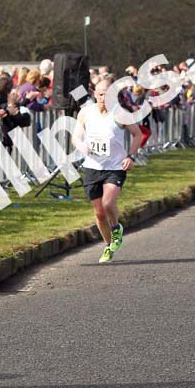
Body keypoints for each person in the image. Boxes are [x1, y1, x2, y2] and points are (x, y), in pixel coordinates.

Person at [72, 79, 141, 263]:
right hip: (93, 167)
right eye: (100, 94)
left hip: (116, 167)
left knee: (108, 202)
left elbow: (138, 134)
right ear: (95, 94)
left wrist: (131, 156)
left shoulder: (120, 114)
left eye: (107, 94)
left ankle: (116, 228)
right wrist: (81, 145)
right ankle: (109, 246)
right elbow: (76, 136)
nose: (103, 98)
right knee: (99, 213)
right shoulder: (86, 113)